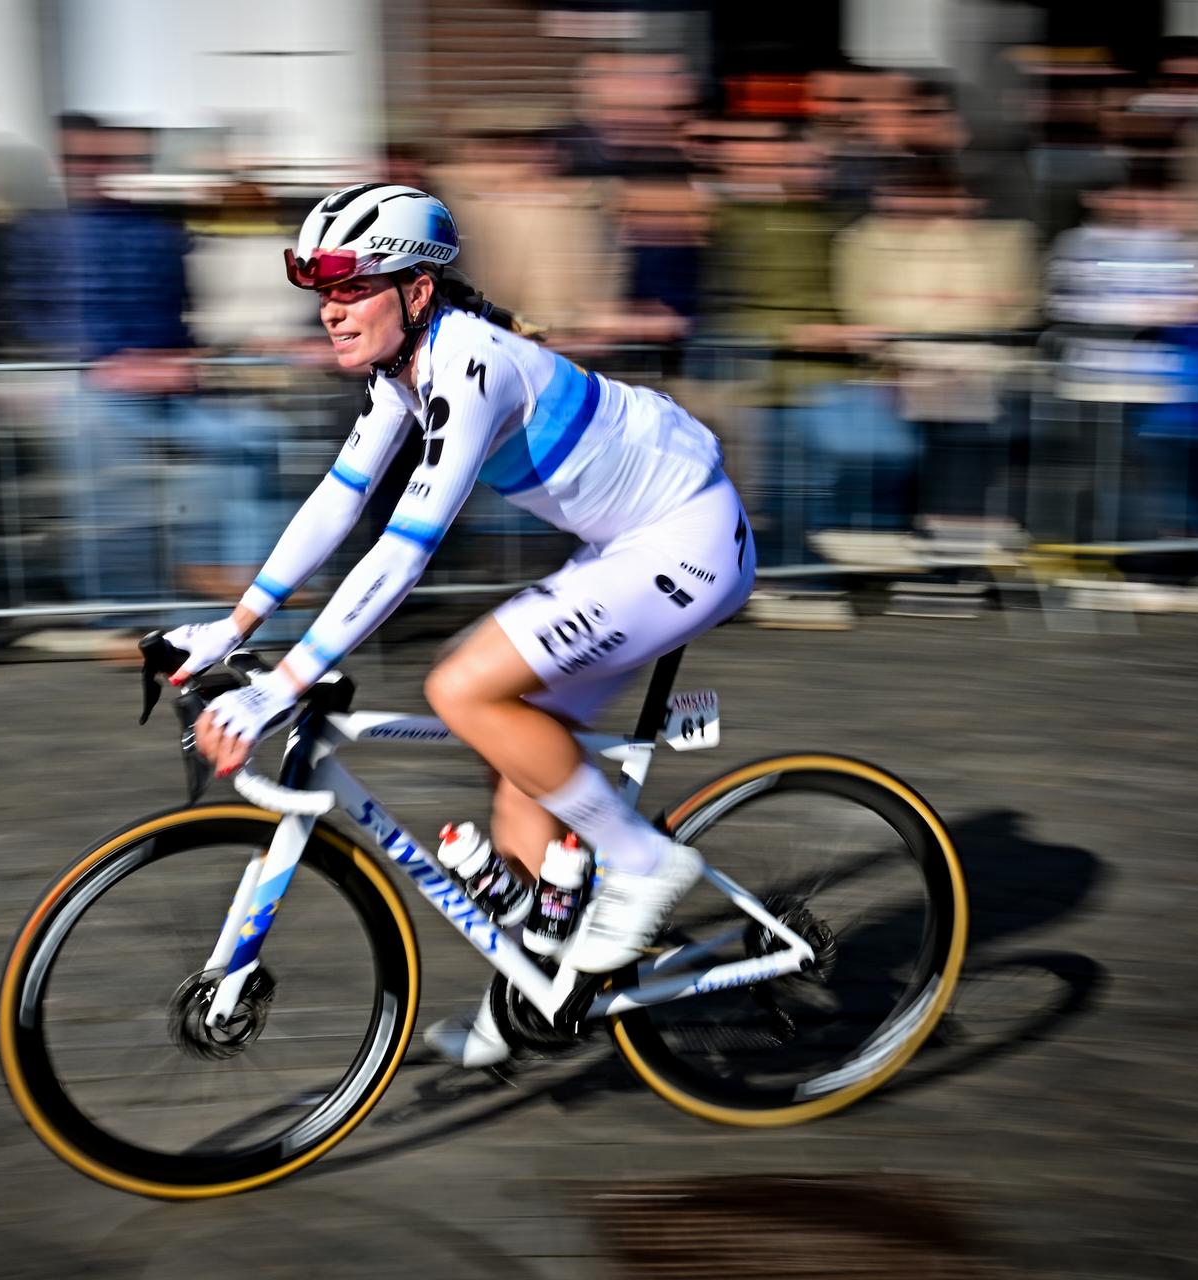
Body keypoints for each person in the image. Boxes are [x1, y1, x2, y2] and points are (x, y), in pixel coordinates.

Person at [159, 184, 755, 1068]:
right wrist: (237, 622)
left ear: (418, 291)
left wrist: (283, 683)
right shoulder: (402, 371)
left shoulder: (470, 362)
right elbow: (339, 499)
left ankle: (641, 864)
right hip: (629, 545)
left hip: (685, 541)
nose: (331, 309)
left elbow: (404, 549)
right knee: (521, 765)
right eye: (322, 290)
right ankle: (541, 995)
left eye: (352, 287)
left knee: (462, 686)